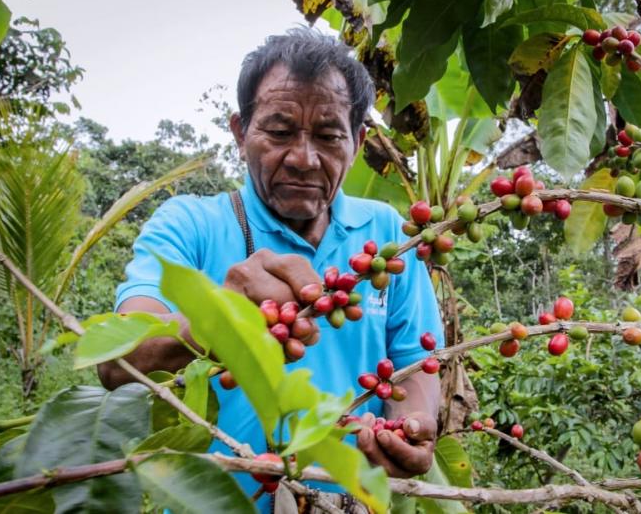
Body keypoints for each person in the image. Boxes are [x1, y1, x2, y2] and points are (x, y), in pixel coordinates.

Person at [99, 29, 443, 511]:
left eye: (328, 136)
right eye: (279, 133)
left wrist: (412, 423)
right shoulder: (190, 225)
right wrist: (217, 319)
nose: (304, 158)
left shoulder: (387, 237)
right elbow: (117, 361)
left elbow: (414, 364)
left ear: (358, 139)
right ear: (241, 133)